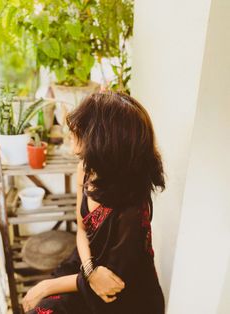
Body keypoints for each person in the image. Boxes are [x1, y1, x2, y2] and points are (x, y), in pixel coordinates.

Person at [23, 91, 166, 314]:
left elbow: (111, 284)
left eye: (83, 127)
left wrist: (47, 286)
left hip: (121, 294)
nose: (72, 131)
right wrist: (89, 270)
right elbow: (82, 230)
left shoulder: (134, 209)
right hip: (86, 265)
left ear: (104, 140)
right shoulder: (86, 169)